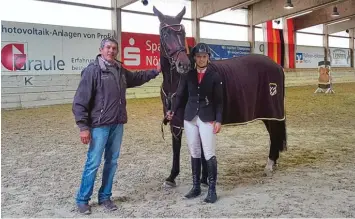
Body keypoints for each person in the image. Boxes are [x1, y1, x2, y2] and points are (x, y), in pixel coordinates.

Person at [72, 37, 161, 214]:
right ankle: (82, 199)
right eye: (108, 47)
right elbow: (80, 101)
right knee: (93, 163)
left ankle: (105, 196)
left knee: (111, 162)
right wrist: (83, 127)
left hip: (117, 124)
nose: (111, 51)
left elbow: (136, 77)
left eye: (114, 48)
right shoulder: (92, 70)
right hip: (99, 126)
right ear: (101, 49)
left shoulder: (119, 69)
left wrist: (155, 71)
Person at [166, 42, 223, 203]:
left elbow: (219, 101)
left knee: (209, 152)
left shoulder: (215, 76)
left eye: (204, 56)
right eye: (199, 56)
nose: (202, 59)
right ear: (195, 58)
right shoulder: (188, 75)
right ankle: (196, 186)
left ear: (208, 58)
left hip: (207, 116)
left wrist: (218, 120)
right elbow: (180, 95)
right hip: (190, 117)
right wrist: (172, 111)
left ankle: (212, 189)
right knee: (194, 152)